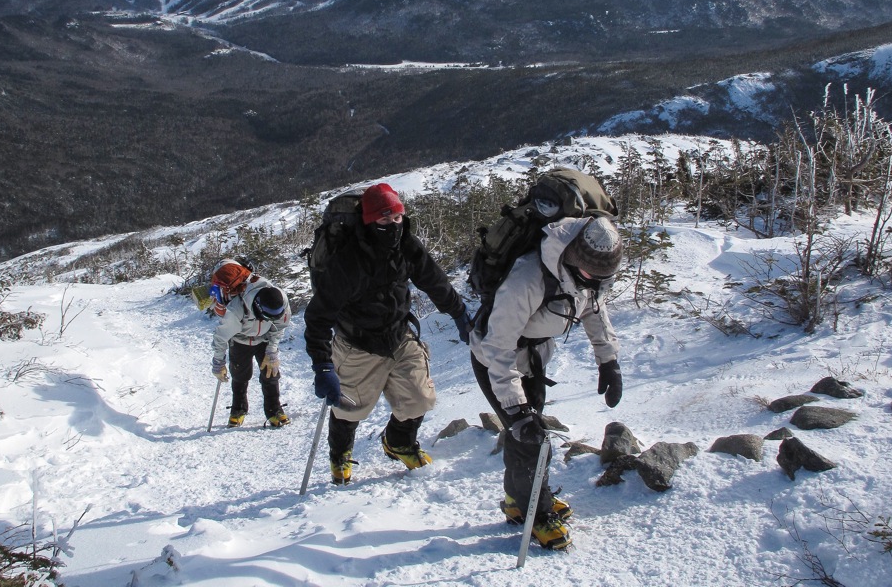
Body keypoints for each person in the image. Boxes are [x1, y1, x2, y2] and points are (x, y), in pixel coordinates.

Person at [469, 214, 624, 551]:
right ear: (573, 258)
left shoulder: (585, 277)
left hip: (533, 359)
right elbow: (498, 347)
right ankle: (534, 513)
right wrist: (516, 406)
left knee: (525, 433)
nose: (595, 284)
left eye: (603, 278)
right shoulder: (528, 277)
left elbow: (594, 310)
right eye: (591, 276)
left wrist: (608, 360)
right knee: (532, 440)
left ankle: (517, 499)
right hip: (495, 361)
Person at [304, 182, 472, 484]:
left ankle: (399, 441)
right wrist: (323, 365)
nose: (392, 225)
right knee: (349, 409)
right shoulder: (348, 261)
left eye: (396, 218)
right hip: (357, 342)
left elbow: (433, 279)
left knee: (420, 398)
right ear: (368, 220)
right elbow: (317, 317)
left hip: (399, 334)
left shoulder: (405, 245)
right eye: (384, 219)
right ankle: (339, 452)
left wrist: (458, 312)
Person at [210, 257, 292, 428]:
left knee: (271, 375)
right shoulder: (237, 309)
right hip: (240, 341)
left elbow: (279, 327)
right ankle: (238, 409)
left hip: (264, 340)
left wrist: (272, 350)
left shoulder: (280, 300)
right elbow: (221, 337)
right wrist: (218, 362)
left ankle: (274, 410)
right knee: (240, 375)